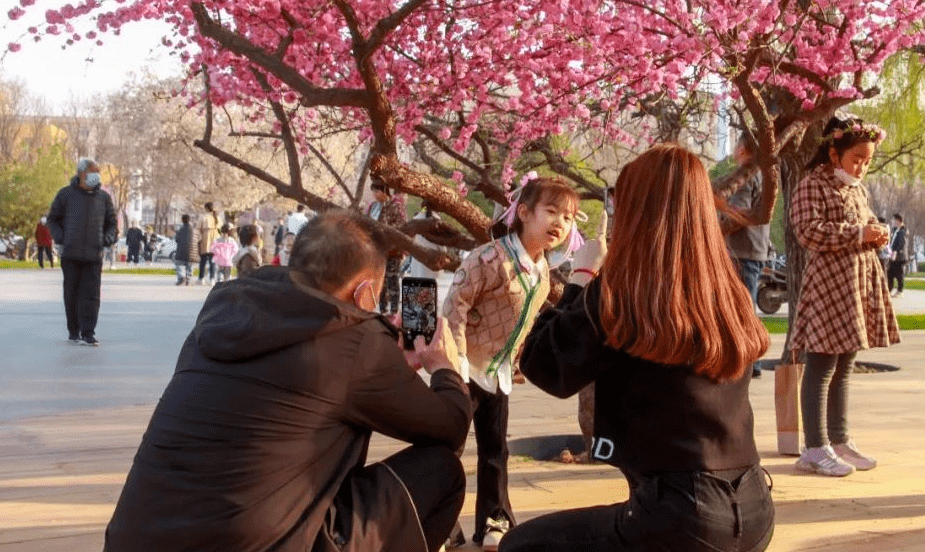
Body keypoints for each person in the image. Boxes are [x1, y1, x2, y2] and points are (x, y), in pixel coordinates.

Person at [103, 211, 471, 552]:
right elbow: (450, 427)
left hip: (133, 538)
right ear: (363, 294)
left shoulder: (224, 309)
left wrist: (387, 364)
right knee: (442, 469)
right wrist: (443, 369)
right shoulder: (357, 342)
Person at [499, 145, 773, 552]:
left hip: (682, 515)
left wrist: (581, 277)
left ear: (637, 209)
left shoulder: (625, 293)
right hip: (753, 508)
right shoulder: (728, 293)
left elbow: (546, 366)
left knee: (523, 545)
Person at [443, 176, 581, 551]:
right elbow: (453, 309)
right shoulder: (488, 258)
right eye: (551, 212)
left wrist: (516, 359)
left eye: (568, 218)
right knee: (447, 450)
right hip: (464, 369)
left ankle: (493, 519)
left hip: (498, 375)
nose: (560, 223)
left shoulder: (542, 269)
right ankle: (437, 522)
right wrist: (451, 366)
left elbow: (528, 321)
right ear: (523, 213)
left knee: (495, 452)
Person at [790, 115, 899, 477]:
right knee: (821, 366)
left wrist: (877, 233)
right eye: (857, 159)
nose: (863, 167)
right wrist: (858, 234)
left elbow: (862, 227)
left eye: (868, 161)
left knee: (845, 365)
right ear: (834, 154)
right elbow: (808, 231)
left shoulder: (857, 189)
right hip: (828, 287)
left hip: (855, 285)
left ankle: (839, 440)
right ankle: (815, 447)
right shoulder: (812, 184)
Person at [46, 157, 118, 346]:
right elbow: (52, 219)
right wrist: (61, 238)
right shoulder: (65, 194)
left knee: (92, 295)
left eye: (97, 172)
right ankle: (74, 330)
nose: (96, 176)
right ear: (81, 173)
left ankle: (88, 332)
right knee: (71, 293)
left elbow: (112, 223)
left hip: (94, 255)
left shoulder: (103, 198)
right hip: (70, 254)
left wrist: (106, 239)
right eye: (92, 172)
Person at [721, 137, 771, 379]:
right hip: (755, 249)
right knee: (746, 305)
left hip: (743, 250)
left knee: (742, 306)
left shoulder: (745, 175)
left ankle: (750, 362)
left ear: (741, 148)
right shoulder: (762, 173)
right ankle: (752, 362)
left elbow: (737, 215)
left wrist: (713, 226)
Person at [367, 180, 407, 314]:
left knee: (392, 279)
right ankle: (383, 309)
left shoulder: (395, 206)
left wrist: (385, 230)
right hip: (377, 251)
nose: (374, 194)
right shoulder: (373, 206)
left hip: (392, 251)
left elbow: (402, 227)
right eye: (373, 191)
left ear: (384, 191)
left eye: (376, 191)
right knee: (380, 281)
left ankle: (395, 310)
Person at [197, 202, 220, 285]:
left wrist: (199, 240)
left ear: (206, 208)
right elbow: (220, 230)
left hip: (205, 240)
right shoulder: (217, 218)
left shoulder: (203, 217)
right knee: (212, 261)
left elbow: (198, 229)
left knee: (203, 261)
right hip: (215, 240)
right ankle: (212, 278)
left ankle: (201, 278)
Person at [887, 214, 908, 297]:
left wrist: (895, 251)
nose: (892, 222)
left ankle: (900, 291)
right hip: (893, 256)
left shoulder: (903, 232)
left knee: (899, 274)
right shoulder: (895, 230)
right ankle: (889, 289)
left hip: (899, 257)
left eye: (893, 220)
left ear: (898, 221)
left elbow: (901, 244)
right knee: (890, 273)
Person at [173, 215, 195, 286]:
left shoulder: (180, 229)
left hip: (181, 251)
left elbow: (176, 239)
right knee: (189, 265)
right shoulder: (193, 229)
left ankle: (181, 277)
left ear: (182, 220)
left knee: (178, 264)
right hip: (191, 251)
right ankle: (188, 277)